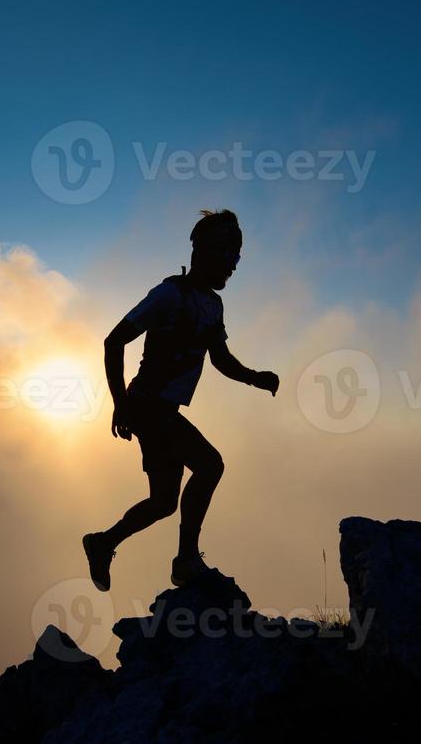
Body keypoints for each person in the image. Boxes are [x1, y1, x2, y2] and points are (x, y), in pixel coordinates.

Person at [82, 210, 279, 591]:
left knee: (163, 503)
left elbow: (220, 359)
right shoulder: (169, 294)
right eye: (227, 253)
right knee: (210, 466)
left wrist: (255, 378)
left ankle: (102, 542)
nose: (234, 264)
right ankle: (186, 560)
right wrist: (121, 404)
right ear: (203, 252)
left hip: (159, 410)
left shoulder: (213, 306)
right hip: (147, 406)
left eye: (237, 255)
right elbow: (114, 341)